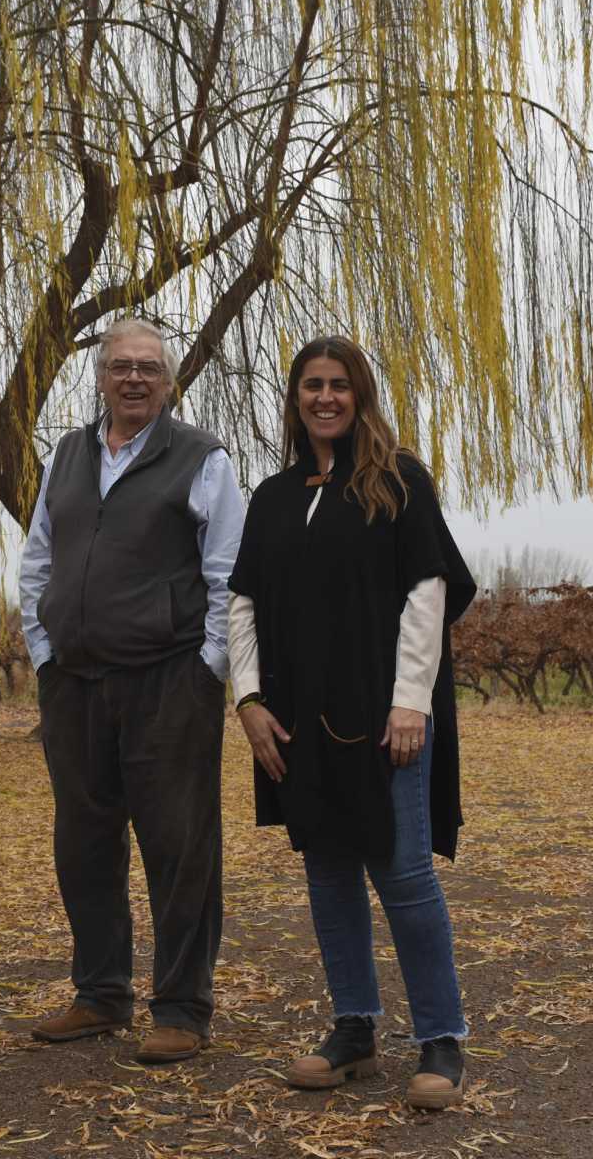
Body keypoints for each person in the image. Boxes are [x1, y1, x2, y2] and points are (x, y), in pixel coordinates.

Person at [227, 335, 477, 1110]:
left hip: (383, 715)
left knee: (401, 874)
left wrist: (411, 701)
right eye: (312, 385)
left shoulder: (398, 482)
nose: (325, 397)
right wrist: (249, 702)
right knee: (328, 870)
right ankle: (355, 1030)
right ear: (295, 397)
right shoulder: (271, 496)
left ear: (360, 394)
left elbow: (429, 590)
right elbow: (242, 603)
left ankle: (441, 1038)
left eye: (339, 385)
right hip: (297, 721)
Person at [18, 318, 245, 1064]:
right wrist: (44, 651)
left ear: (170, 382)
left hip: (168, 682)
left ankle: (182, 1007)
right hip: (75, 683)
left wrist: (207, 668)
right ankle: (100, 994)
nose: (135, 379)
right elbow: (38, 558)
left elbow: (228, 575)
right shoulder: (68, 456)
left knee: (179, 847)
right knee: (83, 843)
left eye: (149, 367)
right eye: (121, 366)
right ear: (101, 377)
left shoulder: (202, 459)